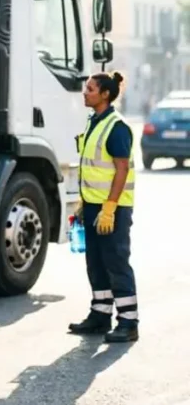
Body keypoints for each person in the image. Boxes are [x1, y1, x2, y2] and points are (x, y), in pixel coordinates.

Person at [68, 71, 138, 343]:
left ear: (105, 94)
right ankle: (100, 315)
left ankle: (129, 321)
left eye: (90, 89)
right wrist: (84, 203)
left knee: (116, 262)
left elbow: (121, 169)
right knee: (95, 262)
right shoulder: (94, 122)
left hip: (114, 209)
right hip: (94, 205)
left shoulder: (116, 127)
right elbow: (93, 168)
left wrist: (109, 208)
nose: (85, 92)